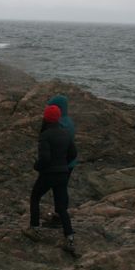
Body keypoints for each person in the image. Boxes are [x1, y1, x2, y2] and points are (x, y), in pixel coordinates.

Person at [25, 104, 78, 254]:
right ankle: (69, 237)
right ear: (58, 118)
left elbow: (45, 158)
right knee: (61, 207)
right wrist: (63, 164)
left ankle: (34, 228)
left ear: (46, 118)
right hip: (63, 173)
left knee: (35, 197)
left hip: (49, 174)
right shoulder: (66, 133)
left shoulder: (45, 135)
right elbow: (73, 154)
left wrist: (37, 166)